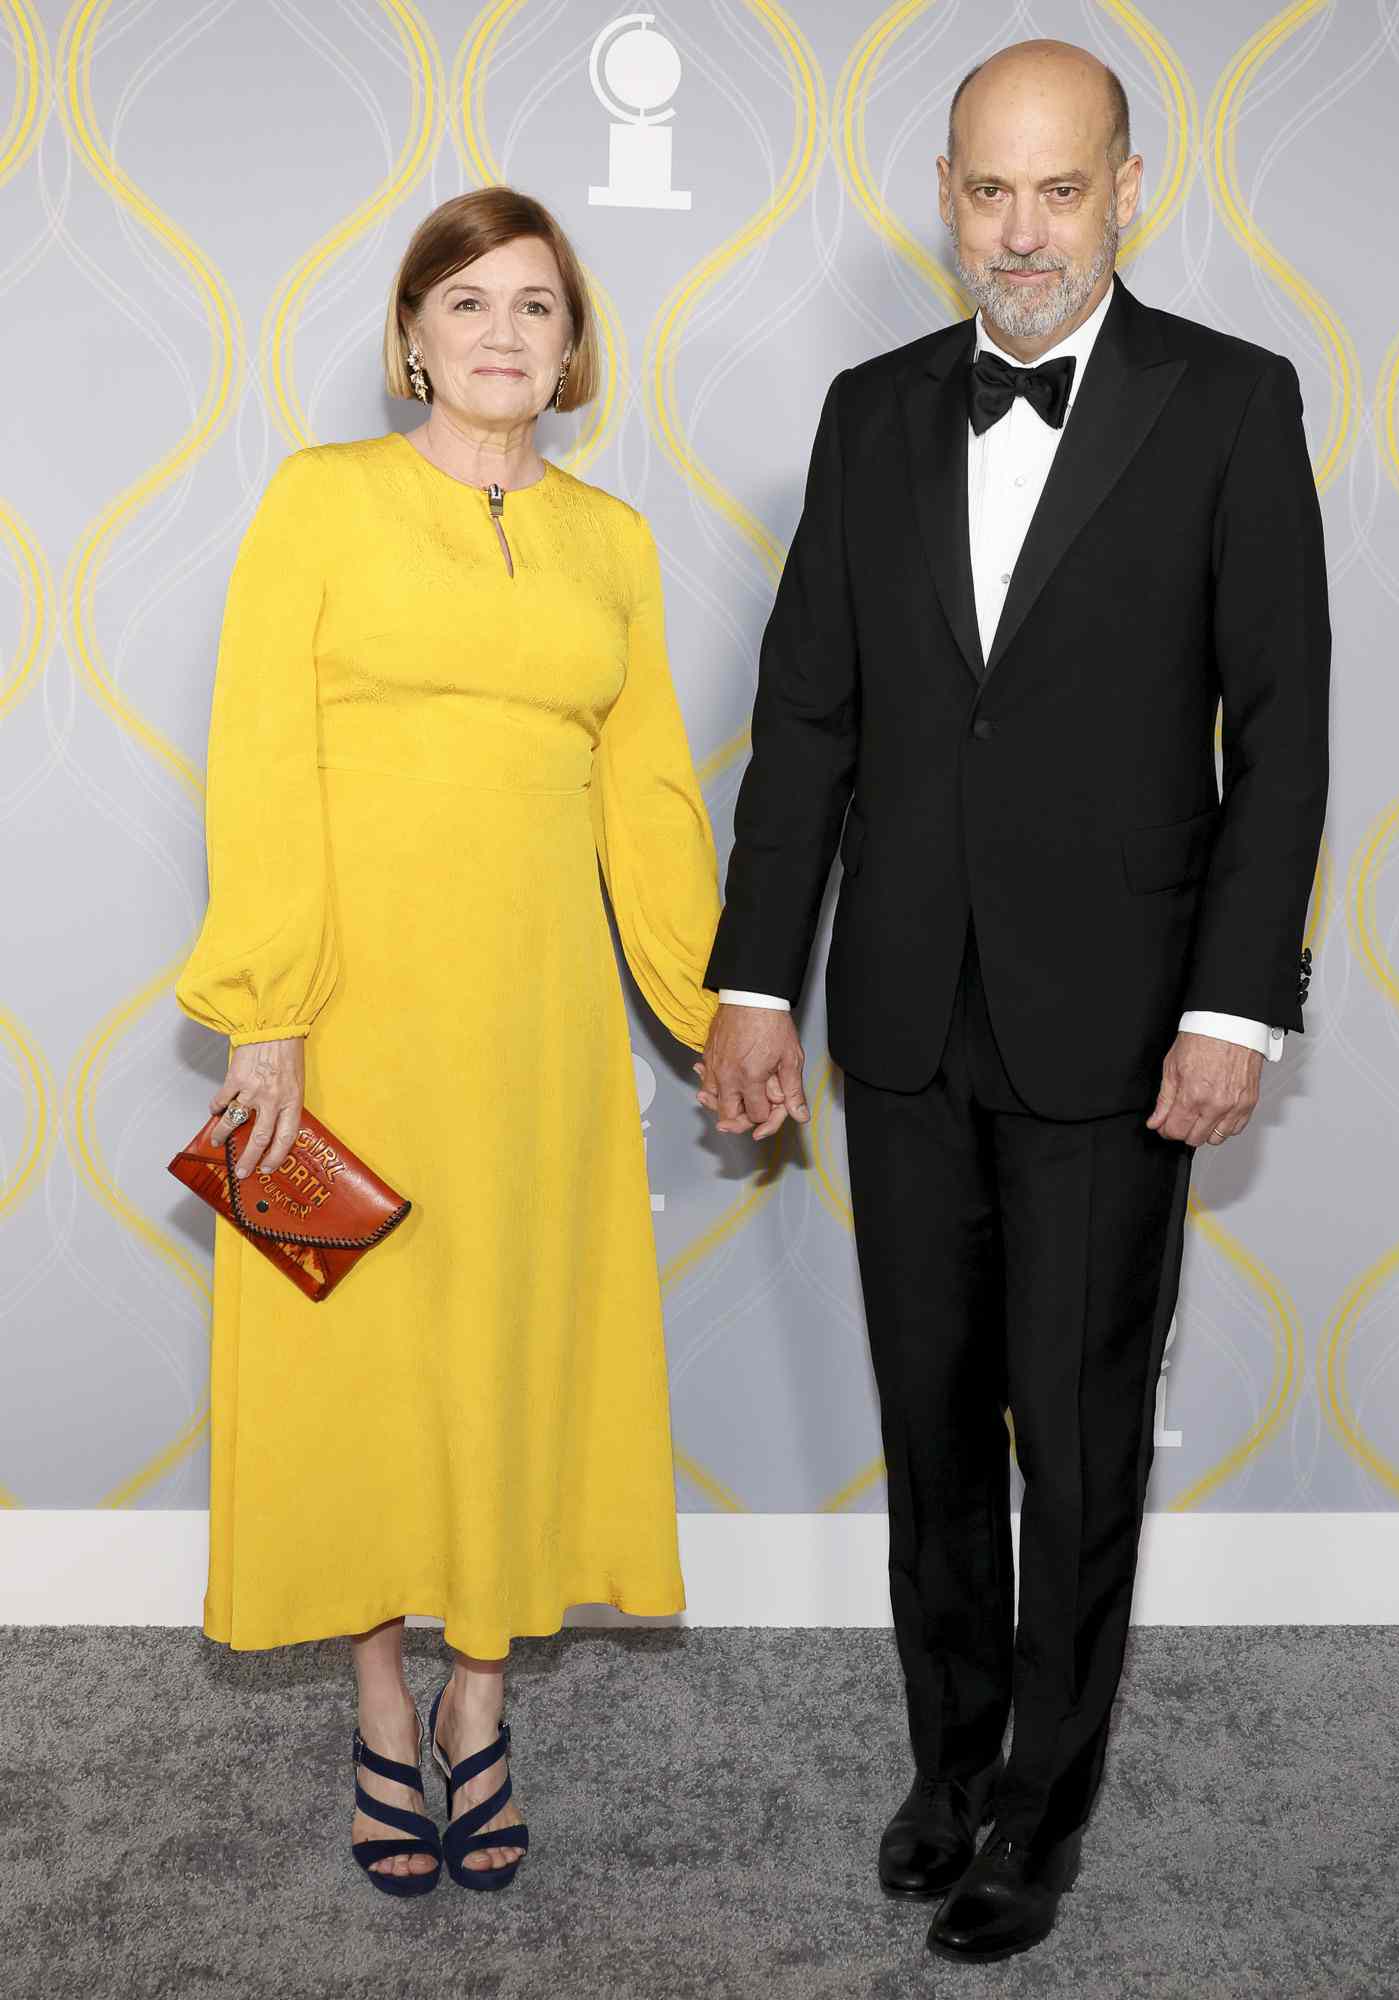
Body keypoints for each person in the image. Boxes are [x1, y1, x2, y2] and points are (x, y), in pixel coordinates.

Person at [696, 39, 1329, 1966]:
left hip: (1121, 1024)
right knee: (932, 1418)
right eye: (989, 189)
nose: (1023, 230)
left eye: (1060, 189)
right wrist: (752, 978)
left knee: (1078, 1428)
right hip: (899, 1013)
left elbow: (1281, 729)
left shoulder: (1228, 402)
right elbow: (806, 716)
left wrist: (1236, 1009)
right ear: (945, 194)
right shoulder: (871, 410)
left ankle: (1044, 1807)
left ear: (1129, 185)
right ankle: (948, 1759)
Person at [175, 187, 721, 1897]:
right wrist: (266, 1011)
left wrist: (719, 1010)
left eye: (536, 307)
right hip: (347, 1021)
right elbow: (259, 757)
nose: (501, 332)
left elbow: (651, 801)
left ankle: (483, 1698)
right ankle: (379, 1700)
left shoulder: (614, 541)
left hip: (540, 1029)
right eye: (467, 301)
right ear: (412, 334)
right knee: (355, 1366)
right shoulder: (318, 502)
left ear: (572, 351)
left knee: (512, 1346)